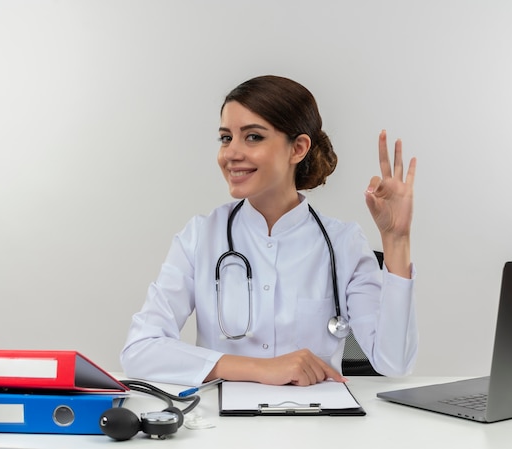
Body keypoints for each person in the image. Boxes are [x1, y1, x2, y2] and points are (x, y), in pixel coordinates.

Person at [120, 75, 417, 387]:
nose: (230, 153)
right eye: (225, 138)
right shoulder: (200, 236)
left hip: (319, 426)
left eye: (252, 137)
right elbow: (139, 350)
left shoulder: (343, 243)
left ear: (298, 148)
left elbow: (394, 363)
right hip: (220, 427)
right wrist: (260, 369)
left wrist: (397, 241)